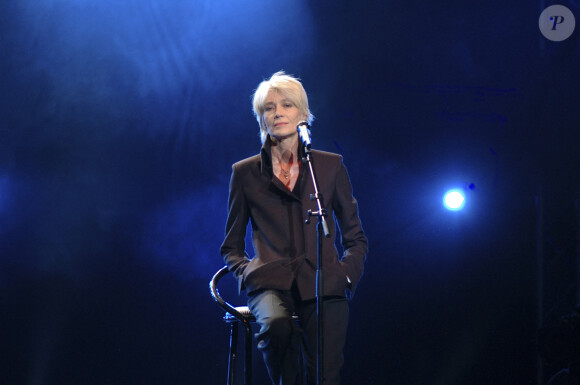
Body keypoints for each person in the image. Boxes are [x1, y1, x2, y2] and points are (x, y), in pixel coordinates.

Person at [220, 71, 368, 384]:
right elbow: (231, 246)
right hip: (269, 282)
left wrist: (346, 274)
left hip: (323, 280)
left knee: (324, 375)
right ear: (262, 118)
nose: (278, 113)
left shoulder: (328, 167)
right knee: (275, 324)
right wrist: (248, 272)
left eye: (286, 105)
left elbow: (355, 237)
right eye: (269, 108)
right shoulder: (245, 173)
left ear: (302, 114)